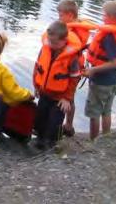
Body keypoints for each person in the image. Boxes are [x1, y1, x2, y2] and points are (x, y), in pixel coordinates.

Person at [83, 0, 116, 140]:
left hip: (101, 81)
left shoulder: (109, 36)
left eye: (104, 15)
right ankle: (106, 138)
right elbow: (109, 55)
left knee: (94, 113)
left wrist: (93, 70)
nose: (102, 17)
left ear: (113, 18)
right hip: (112, 79)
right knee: (106, 111)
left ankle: (93, 141)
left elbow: (113, 62)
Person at [33, 21, 82, 149]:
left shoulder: (72, 57)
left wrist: (67, 98)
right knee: (40, 119)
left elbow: (74, 78)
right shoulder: (45, 48)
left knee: (54, 123)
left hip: (60, 98)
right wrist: (36, 86)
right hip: (44, 93)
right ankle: (40, 140)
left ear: (64, 40)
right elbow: (37, 67)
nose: (51, 45)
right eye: (49, 41)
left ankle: (51, 143)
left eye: (55, 43)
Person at [56, 0, 98, 137]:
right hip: (65, 66)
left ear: (70, 15)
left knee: (69, 97)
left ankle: (67, 125)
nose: (59, 18)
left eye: (61, 15)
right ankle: (66, 125)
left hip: (73, 68)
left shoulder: (76, 31)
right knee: (64, 96)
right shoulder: (70, 28)